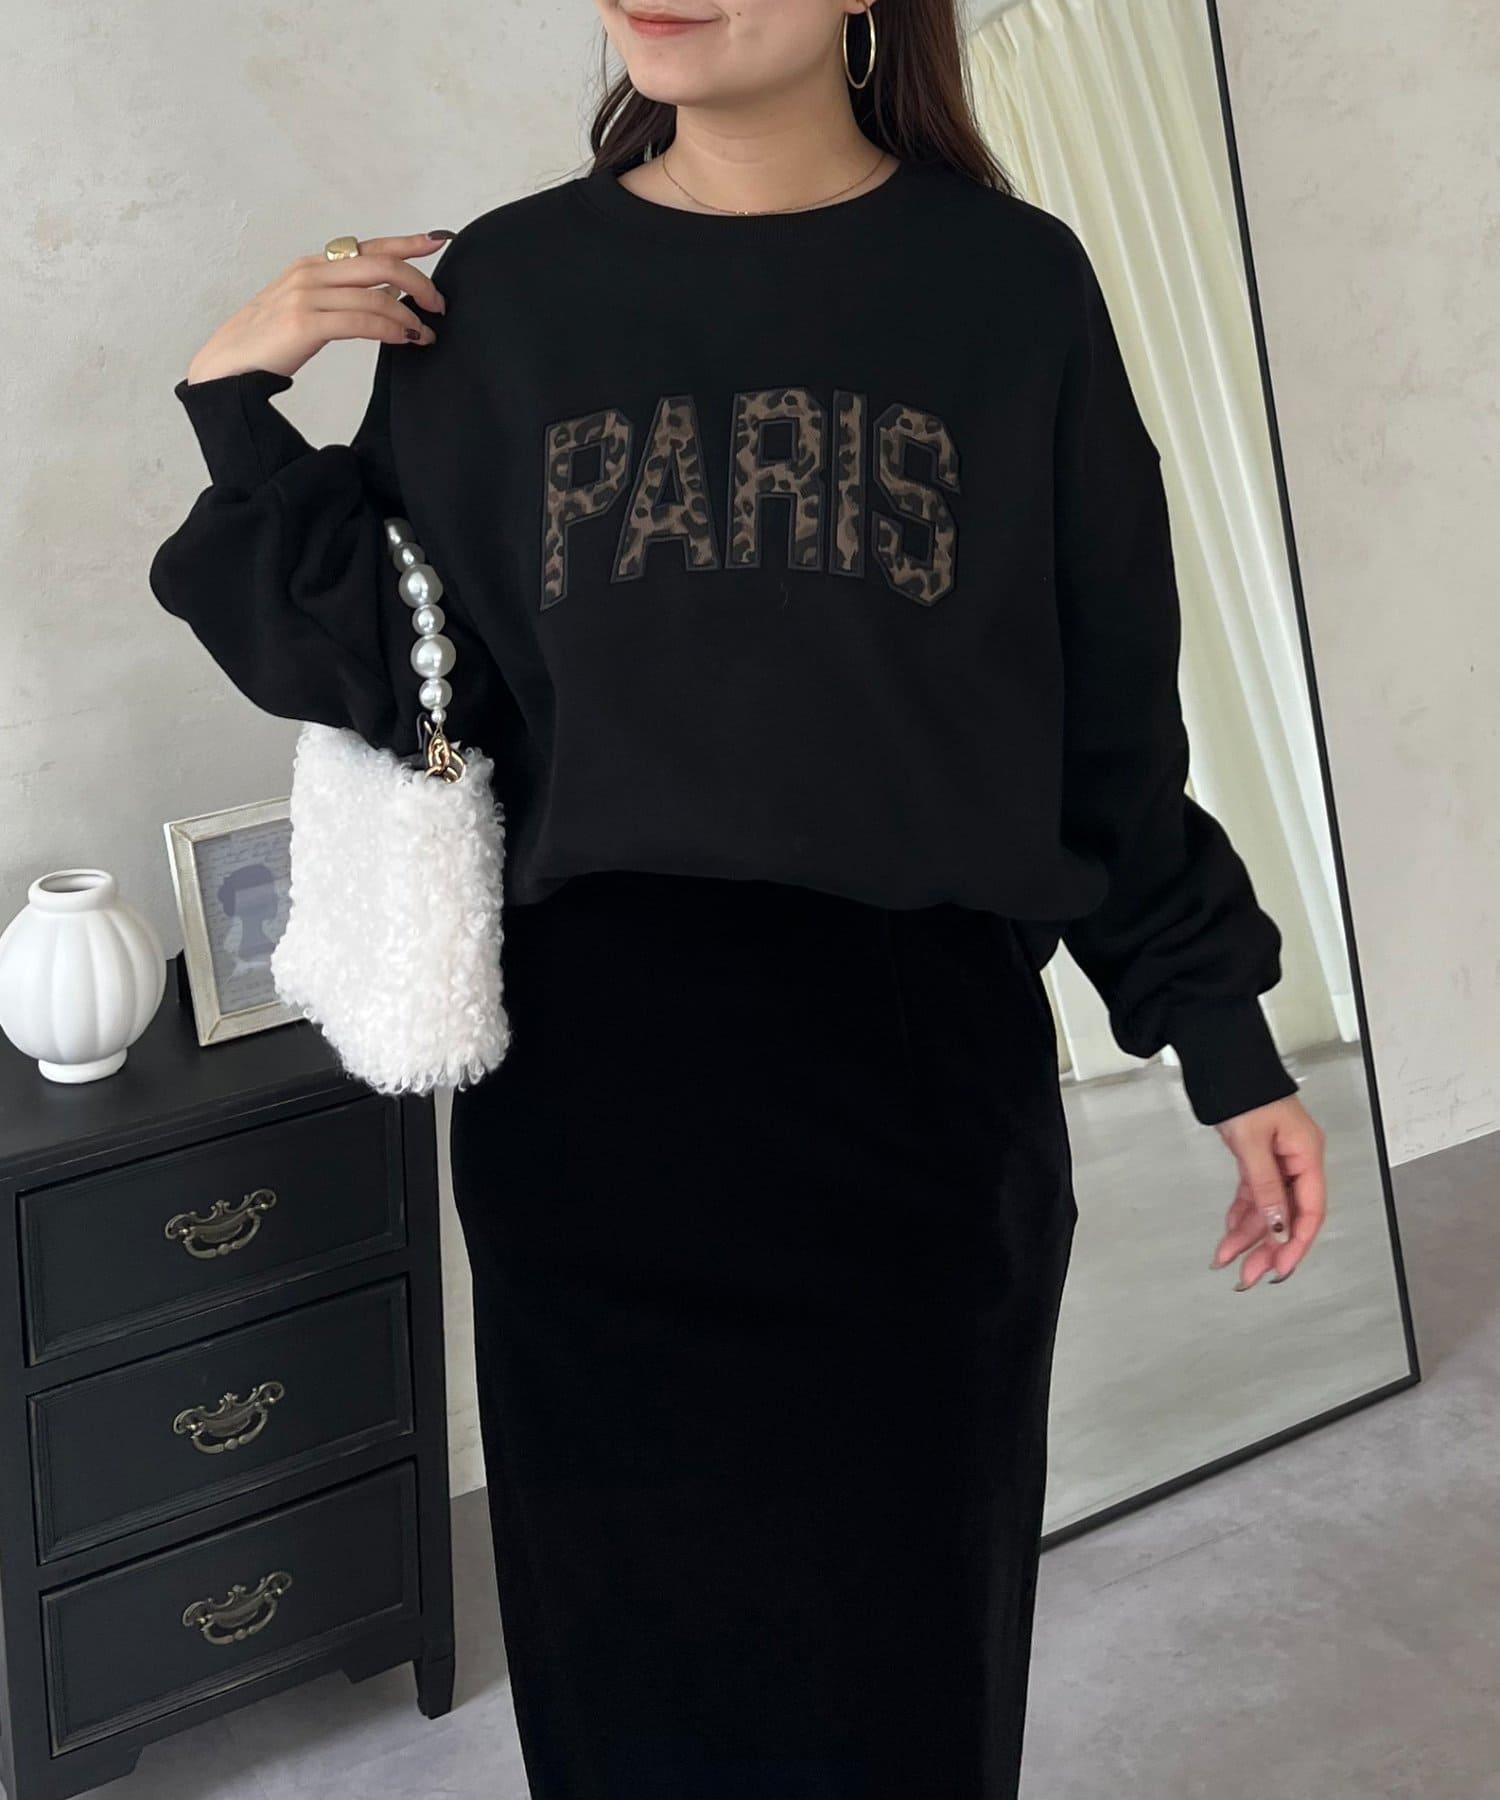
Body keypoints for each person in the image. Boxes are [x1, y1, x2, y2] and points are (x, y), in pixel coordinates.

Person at [147, 2, 1329, 1793]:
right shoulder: (513, 292)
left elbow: (1103, 710)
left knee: (906, 1683)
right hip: (594, 1114)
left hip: (918, 1108)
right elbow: (411, 674)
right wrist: (235, 406)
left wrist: (1221, 1034)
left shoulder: (1009, 288)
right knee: (628, 1686)